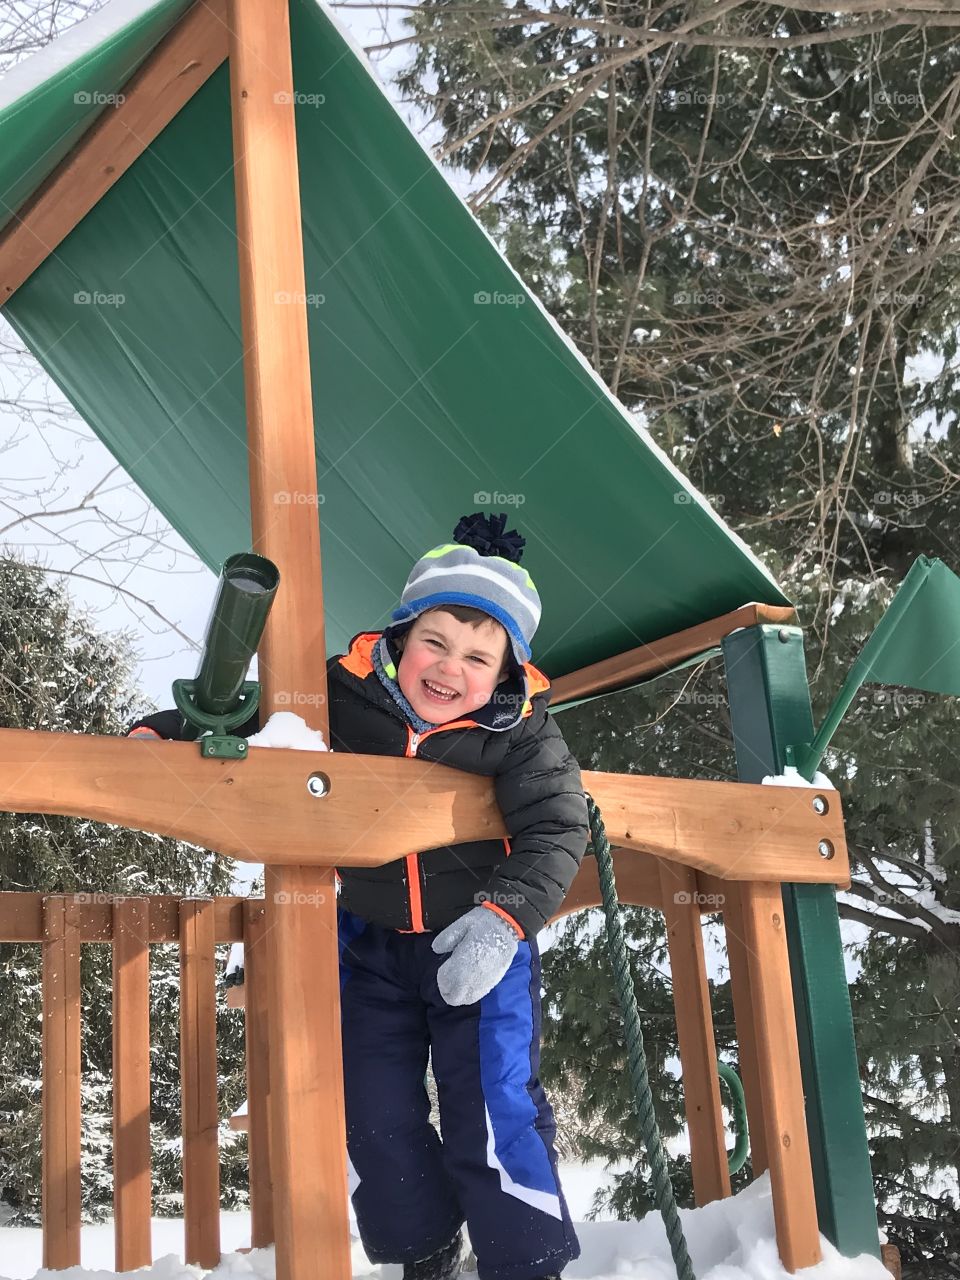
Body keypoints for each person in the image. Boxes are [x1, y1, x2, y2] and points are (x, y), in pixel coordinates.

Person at [129, 512, 589, 1280]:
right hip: (367, 941)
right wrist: (164, 733)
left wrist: (505, 918)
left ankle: (527, 1261)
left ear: (509, 672)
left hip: (478, 941)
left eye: (479, 656)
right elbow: (247, 719)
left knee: (493, 1108)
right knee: (375, 1112)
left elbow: (556, 822)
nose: (450, 667)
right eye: (436, 642)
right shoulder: (338, 699)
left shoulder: (523, 733)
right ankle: (424, 1248)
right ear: (400, 638)